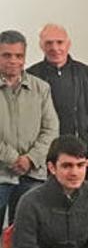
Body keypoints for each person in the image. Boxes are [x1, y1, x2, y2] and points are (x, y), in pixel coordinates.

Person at [27, 24, 88, 170]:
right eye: (49, 43)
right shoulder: (30, 77)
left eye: (59, 42)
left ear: (68, 44)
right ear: (41, 46)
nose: (55, 48)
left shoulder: (87, 75)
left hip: (82, 159)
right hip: (43, 162)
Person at [0, 30, 59, 226]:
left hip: (33, 174)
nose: (13, 61)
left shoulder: (41, 88)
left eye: (19, 56)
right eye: (6, 55)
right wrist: (13, 158)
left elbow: (51, 130)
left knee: (28, 233)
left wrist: (31, 159)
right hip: (1, 173)